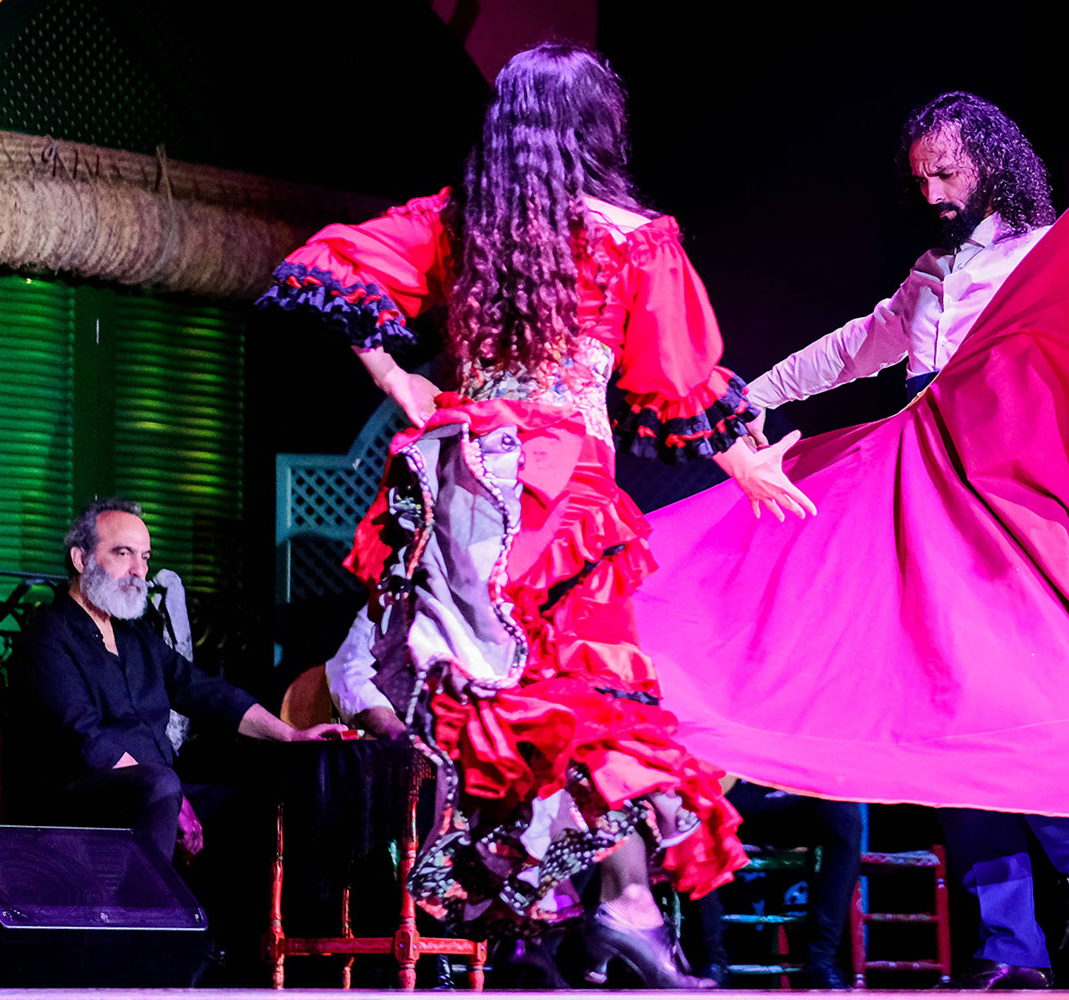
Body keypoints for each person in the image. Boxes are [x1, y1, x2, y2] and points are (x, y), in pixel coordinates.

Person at [259, 43, 814, 989]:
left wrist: (407, 384)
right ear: (597, 129)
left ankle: (545, 932)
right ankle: (621, 909)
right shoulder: (631, 238)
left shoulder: (465, 221)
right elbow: (676, 382)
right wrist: (741, 460)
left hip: (468, 487)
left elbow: (331, 264)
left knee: (510, 710)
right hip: (564, 497)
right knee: (593, 700)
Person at [739, 92, 1069, 989]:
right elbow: (856, 348)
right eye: (920, 178)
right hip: (924, 497)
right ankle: (1011, 950)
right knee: (955, 720)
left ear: (989, 164)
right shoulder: (928, 274)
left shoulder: (1045, 252)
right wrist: (751, 396)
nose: (932, 193)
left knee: (1009, 695)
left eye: (947, 173)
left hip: (1010, 491)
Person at [8, 497, 346, 863]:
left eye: (146, 556)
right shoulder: (48, 637)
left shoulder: (135, 636)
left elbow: (203, 691)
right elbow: (85, 739)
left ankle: (236, 920)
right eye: (123, 553)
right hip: (83, 799)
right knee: (163, 784)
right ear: (81, 559)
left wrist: (290, 735)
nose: (139, 570)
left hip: (158, 793)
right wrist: (173, 797)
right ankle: (146, 916)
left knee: (259, 800)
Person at [683, 783, 862, 989]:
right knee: (695, 809)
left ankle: (821, 961)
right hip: (733, 792)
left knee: (846, 816)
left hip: (798, 793)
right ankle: (711, 962)